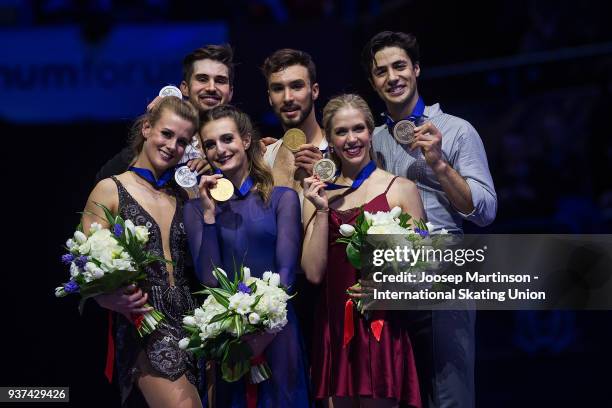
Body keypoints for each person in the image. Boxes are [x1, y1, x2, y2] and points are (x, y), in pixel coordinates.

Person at [361, 31, 498, 407]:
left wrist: (438, 163)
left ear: (417, 69)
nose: (392, 77)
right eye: (381, 71)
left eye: (400, 66)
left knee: (449, 400)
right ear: (373, 82)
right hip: (390, 287)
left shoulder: (456, 130)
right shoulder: (369, 141)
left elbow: (485, 211)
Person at [183, 105, 311, 407]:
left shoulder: (283, 199)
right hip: (229, 340)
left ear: (246, 140)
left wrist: (261, 333)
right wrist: (210, 215)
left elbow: (287, 274)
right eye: (210, 144)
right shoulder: (195, 210)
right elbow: (208, 277)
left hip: (278, 332)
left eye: (227, 139)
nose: (220, 149)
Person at [302, 94, 424, 408]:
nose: (351, 138)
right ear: (329, 139)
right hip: (333, 330)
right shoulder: (316, 196)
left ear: (371, 132)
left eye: (358, 129)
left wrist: (388, 292)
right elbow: (314, 273)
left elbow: (425, 271)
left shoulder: (400, 188)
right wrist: (321, 211)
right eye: (341, 132)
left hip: (380, 328)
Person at [82, 96, 202, 407]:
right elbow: (82, 262)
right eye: (166, 133)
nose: (172, 145)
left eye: (182, 141)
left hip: (195, 327)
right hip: (146, 327)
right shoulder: (110, 188)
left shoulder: (184, 195)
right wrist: (104, 297)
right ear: (147, 128)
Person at [95, 44, 236, 182]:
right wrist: (152, 127)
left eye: (220, 81)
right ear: (185, 88)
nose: (211, 87)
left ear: (230, 92)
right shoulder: (160, 135)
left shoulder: (241, 143)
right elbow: (105, 179)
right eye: (202, 79)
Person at [261, 48, 325, 199]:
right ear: (270, 98)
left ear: (314, 91)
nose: (288, 97)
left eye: (296, 86)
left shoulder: (342, 152)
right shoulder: (263, 159)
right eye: (278, 89)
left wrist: (329, 178)